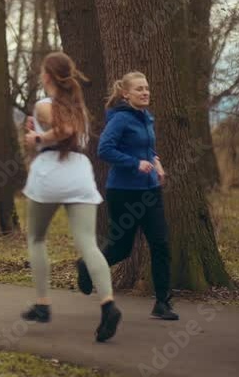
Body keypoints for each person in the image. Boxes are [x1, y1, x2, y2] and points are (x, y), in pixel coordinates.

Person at [20, 51, 122, 343]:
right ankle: (108, 304)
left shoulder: (44, 105)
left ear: (47, 76)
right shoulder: (80, 109)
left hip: (50, 173)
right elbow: (68, 129)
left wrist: (38, 138)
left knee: (36, 238)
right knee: (88, 243)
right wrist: (36, 136)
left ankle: (42, 304)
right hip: (78, 173)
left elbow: (64, 130)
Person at [77, 71, 179, 321]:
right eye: (139, 89)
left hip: (150, 191)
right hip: (124, 193)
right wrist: (134, 163)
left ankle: (162, 303)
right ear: (126, 94)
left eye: (146, 88)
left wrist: (156, 162)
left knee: (160, 244)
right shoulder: (120, 119)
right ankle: (86, 265)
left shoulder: (146, 117)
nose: (145, 92)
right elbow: (105, 149)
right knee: (121, 249)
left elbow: (147, 148)